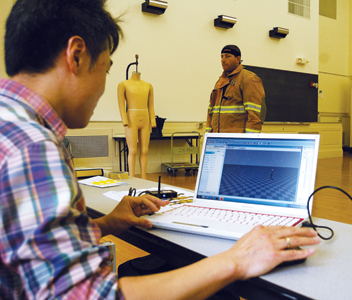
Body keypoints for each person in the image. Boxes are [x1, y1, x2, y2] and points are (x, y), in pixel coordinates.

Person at [0, 1, 320, 299]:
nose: (104, 88)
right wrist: (236, 261)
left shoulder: (11, 125)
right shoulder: (34, 149)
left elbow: (27, 250)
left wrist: (107, 223)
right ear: (77, 55)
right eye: (107, 69)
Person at [206, 45, 267, 133]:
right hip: (218, 139)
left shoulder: (249, 79)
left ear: (238, 59)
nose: (223, 60)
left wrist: (249, 140)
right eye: (222, 56)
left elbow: (255, 115)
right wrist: (209, 135)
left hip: (237, 140)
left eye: (228, 56)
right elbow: (210, 112)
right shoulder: (220, 82)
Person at [117, 71, 156, 179]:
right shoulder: (123, 84)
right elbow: (121, 104)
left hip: (145, 118)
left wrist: (153, 120)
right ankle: (132, 177)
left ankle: (144, 177)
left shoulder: (148, 86)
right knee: (133, 150)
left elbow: (151, 106)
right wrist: (124, 120)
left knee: (145, 150)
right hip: (131, 119)